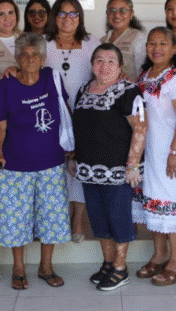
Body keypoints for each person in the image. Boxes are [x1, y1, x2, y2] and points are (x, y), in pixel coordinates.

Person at [0, 33, 71, 290]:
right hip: (15, 164)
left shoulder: (52, 78)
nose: (29, 59)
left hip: (51, 161)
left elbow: (64, 110)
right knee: (16, 218)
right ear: (16, 58)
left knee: (51, 216)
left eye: (35, 54)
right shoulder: (6, 85)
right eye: (24, 55)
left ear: (43, 58)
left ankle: (46, 266)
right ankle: (18, 267)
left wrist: (72, 144)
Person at [72, 43, 147, 291]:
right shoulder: (85, 89)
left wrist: (133, 164)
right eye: (99, 61)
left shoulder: (129, 91)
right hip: (89, 168)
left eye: (111, 61)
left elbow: (140, 128)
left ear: (120, 65)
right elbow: (79, 127)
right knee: (98, 218)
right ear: (92, 64)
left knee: (118, 217)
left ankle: (120, 267)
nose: (104, 66)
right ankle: (107, 262)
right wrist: (74, 157)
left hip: (117, 170)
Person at [132, 27, 176, 286]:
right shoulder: (145, 75)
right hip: (148, 153)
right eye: (151, 43)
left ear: (173, 48)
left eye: (162, 43)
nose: (156, 48)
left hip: (170, 152)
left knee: (171, 204)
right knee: (153, 205)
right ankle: (159, 255)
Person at [44, 0, 100, 243]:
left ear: (80, 17)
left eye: (73, 14)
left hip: (84, 112)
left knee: (79, 164)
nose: (68, 19)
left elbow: (104, 71)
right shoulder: (44, 43)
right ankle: (54, 218)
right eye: (62, 14)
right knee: (55, 166)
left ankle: (77, 221)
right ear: (54, 17)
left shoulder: (91, 43)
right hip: (50, 113)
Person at [100, 0, 146, 80]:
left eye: (123, 10)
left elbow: (143, 73)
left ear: (131, 14)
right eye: (112, 10)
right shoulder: (102, 41)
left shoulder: (138, 38)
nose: (117, 15)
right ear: (107, 13)